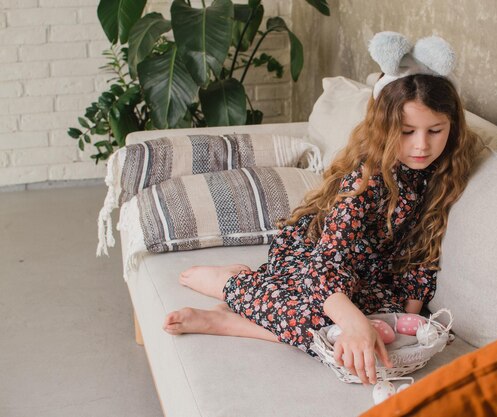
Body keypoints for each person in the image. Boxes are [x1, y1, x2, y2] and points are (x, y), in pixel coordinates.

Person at [162, 34, 479, 386]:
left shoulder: (445, 172)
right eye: (406, 132)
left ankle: (248, 312)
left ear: (452, 127)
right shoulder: (366, 181)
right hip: (316, 253)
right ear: (384, 129)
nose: (421, 145)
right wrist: (355, 323)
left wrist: (409, 323)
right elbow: (327, 265)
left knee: (361, 334)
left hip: (373, 274)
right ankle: (232, 289)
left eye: (435, 130)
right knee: (323, 321)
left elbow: (422, 257)